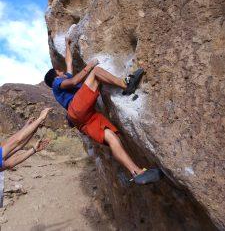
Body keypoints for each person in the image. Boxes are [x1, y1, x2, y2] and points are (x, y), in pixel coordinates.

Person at [44, 38, 161, 184]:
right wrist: (89, 66)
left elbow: (68, 63)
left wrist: (67, 45)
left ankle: (136, 172)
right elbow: (74, 82)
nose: (62, 71)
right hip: (77, 108)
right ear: (55, 76)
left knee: (112, 137)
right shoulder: (56, 82)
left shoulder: (63, 79)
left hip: (83, 119)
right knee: (96, 72)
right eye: (58, 71)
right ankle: (125, 84)